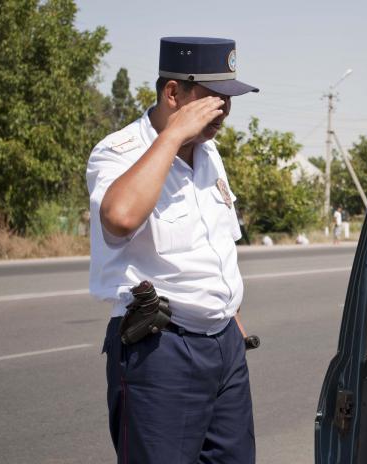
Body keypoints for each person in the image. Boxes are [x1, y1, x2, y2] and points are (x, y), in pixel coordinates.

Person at [87, 37, 259, 464]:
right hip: (162, 350)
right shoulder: (119, 151)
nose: (224, 110)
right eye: (214, 98)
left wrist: (231, 320)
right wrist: (173, 134)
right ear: (173, 94)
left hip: (224, 347)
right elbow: (120, 217)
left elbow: (216, 248)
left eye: (230, 99)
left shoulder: (209, 153)